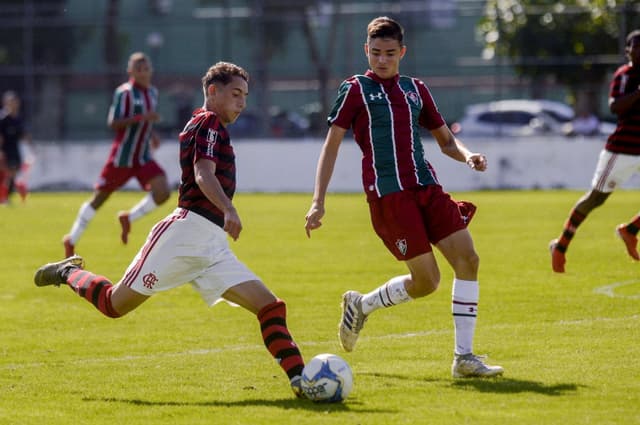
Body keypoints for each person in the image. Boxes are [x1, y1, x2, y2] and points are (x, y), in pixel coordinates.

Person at [35, 61, 307, 398]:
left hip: (211, 244)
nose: (242, 102)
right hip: (183, 235)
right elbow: (202, 173)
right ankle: (67, 273)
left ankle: (302, 380)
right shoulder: (208, 122)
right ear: (212, 91)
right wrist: (229, 208)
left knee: (269, 307)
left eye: (245, 96)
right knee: (113, 305)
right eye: (236, 94)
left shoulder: (212, 126)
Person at [304, 16, 503, 378]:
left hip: (426, 186)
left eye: (390, 54)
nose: (382, 60)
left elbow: (445, 141)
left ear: (402, 53)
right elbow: (331, 146)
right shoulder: (356, 89)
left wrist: (468, 154)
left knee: (469, 259)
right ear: (366, 50)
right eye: (376, 53)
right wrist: (319, 201)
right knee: (427, 282)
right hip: (389, 195)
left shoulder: (416, 89)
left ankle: (464, 359)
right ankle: (362, 305)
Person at [62, 52, 171, 257]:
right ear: (130, 71)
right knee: (99, 199)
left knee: (163, 191)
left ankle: (129, 218)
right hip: (122, 158)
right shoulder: (125, 92)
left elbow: (145, 123)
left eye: (146, 68)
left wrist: (152, 134)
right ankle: (71, 239)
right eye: (138, 68)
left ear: (151, 70)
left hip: (143, 157)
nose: (143, 72)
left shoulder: (153, 93)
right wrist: (142, 118)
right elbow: (113, 123)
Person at [550, 30, 640, 273]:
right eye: (636, 46)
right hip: (622, 150)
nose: (639, 50)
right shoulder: (625, 75)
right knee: (596, 198)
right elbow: (615, 106)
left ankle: (631, 230)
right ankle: (560, 245)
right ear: (628, 51)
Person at [0, 90, 32, 204]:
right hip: (5, 151)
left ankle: (4, 197)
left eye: (15, 101)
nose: (14, 104)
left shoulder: (17, 119)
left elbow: (22, 134)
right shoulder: (3, 118)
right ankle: (3, 198)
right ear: (6, 103)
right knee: (7, 175)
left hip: (14, 150)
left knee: (11, 175)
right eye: (11, 101)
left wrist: (31, 146)